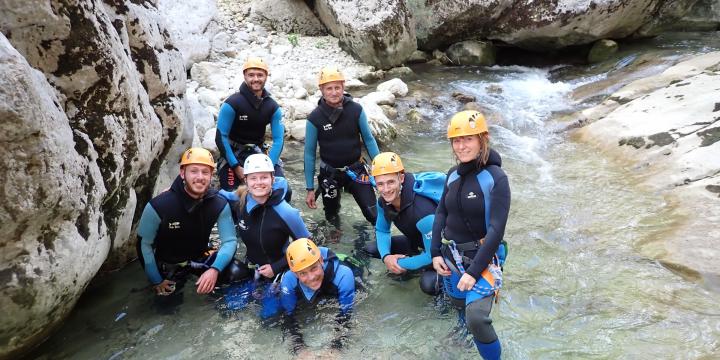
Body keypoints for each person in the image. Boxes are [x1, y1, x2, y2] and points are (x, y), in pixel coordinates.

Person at [430, 111, 511, 360]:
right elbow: (441, 213)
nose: (461, 146)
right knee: (460, 306)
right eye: (456, 140)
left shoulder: (496, 178)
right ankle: (462, 332)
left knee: (477, 317)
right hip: (452, 256)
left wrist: (473, 272)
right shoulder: (452, 175)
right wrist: (434, 253)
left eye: (468, 139)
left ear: (482, 139)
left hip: (483, 259)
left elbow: (497, 230)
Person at [136, 147, 242, 299]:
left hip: (199, 259)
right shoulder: (159, 205)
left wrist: (214, 269)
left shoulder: (218, 203)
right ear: (182, 173)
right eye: (194, 171)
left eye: (205, 172)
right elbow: (143, 244)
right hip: (169, 265)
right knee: (166, 304)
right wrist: (156, 280)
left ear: (211, 175)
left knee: (237, 272)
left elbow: (230, 240)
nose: (200, 177)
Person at [303, 66, 380, 225]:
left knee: (374, 215)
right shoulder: (314, 118)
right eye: (329, 88)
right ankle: (336, 239)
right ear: (321, 90)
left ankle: (382, 245)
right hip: (330, 174)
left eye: (337, 87)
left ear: (343, 87)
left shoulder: (356, 110)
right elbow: (309, 154)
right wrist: (310, 188)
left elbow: (369, 140)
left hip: (356, 170)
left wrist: (381, 170)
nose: (334, 92)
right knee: (331, 217)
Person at [364, 152, 444, 295]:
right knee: (371, 249)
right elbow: (382, 230)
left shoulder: (422, 211)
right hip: (417, 244)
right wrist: (386, 257)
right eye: (380, 184)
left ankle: (419, 272)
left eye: (391, 182)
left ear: (401, 178)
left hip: (440, 254)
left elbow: (431, 255)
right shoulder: (383, 202)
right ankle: (413, 268)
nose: (386, 189)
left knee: (428, 286)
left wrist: (398, 264)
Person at [215, 57, 287, 196]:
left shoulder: (272, 107)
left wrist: (268, 167)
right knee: (231, 195)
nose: (256, 79)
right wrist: (236, 167)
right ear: (245, 76)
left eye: (260, 75)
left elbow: (278, 140)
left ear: (266, 76)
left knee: (283, 191)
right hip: (234, 154)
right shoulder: (232, 103)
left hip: (258, 152)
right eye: (251, 75)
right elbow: (220, 137)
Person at [278, 238, 355, 356]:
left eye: (314, 268)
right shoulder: (289, 280)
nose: (311, 277)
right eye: (302, 273)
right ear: (294, 273)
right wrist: (299, 349)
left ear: (321, 260)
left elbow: (347, 314)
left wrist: (336, 347)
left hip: (341, 277)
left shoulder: (344, 275)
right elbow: (288, 316)